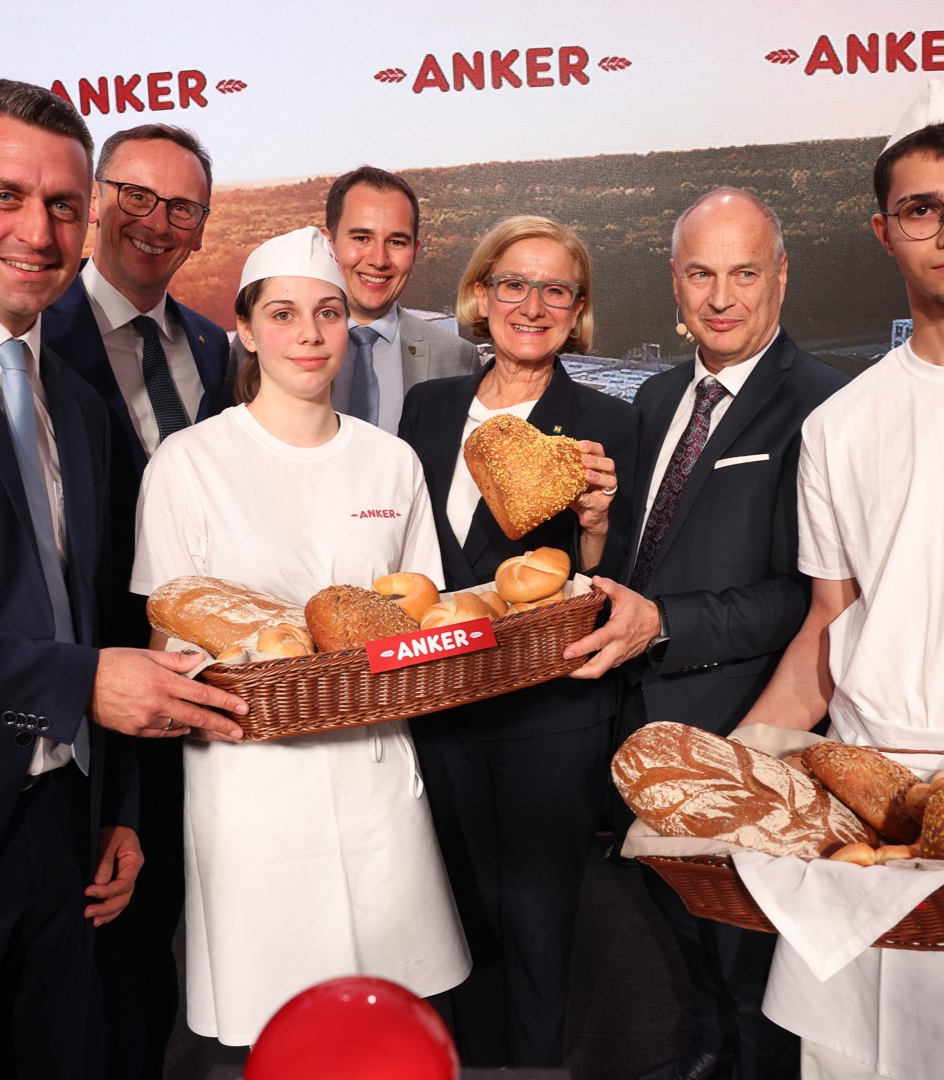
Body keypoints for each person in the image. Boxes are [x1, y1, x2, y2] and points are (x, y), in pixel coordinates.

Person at [0, 79, 246, 1080]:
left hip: (63, 837)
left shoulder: (72, 405)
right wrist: (75, 687)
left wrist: (115, 803)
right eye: (4, 196)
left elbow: (89, 609)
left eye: (63, 206)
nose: (39, 230)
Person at [736, 79, 944, 1080]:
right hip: (867, 835)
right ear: (882, 230)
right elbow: (827, 630)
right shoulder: (841, 424)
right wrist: (731, 771)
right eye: (923, 209)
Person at [130, 226, 470, 1048]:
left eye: (327, 312)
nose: (309, 334)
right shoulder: (188, 462)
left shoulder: (390, 463)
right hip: (251, 790)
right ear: (245, 329)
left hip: (379, 779)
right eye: (282, 314)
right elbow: (172, 636)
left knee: (394, 1023)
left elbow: (426, 621)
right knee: (280, 1035)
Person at [564, 188, 849, 1080]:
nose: (722, 297)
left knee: (760, 984)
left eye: (744, 273)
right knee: (680, 974)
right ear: (675, 283)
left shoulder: (827, 407)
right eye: (701, 274)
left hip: (752, 734)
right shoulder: (651, 400)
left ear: (781, 276)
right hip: (642, 738)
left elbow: (809, 597)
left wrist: (666, 626)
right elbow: (643, 558)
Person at [398, 215, 638, 1068]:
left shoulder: (610, 419)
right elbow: (410, 563)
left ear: (578, 313)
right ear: (480, 295)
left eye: (555, 290)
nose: (531, 305)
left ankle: (533, 1069)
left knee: (539, 922)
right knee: (453, 915)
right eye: (513, 283)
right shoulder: (425, 410)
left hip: (550, 709)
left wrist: (598, 528)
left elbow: (621, 576)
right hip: (438, 703)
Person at [41, 122, 233, 1080]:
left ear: (201, 229)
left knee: (191, 939)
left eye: (183, 208)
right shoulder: (40, 332)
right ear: (97, 199)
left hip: (210, 693)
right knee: (102, 963)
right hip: (95, 695)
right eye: (135, 197)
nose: (156, 223)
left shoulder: (213, 343)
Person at [322, 165, 478, 432]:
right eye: (361, 238)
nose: (379, 260)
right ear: (329, 243)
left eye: (396, 242)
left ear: (415, 251)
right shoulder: (271, 351)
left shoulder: (457, 359)